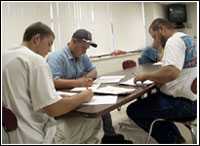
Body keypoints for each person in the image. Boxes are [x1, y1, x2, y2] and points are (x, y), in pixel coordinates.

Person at [2, 22, 101, 144]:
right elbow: (54, 109)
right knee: (94, 121)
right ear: (36, 39)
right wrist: (83, 97)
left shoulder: (6, 56)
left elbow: (26, 95)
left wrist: (59, 97)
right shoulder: (35, 60)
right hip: (36, 136)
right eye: (49, 44)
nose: (49, 50)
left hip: (10, 135)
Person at [47, 29, 132, 144]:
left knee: (103, 104)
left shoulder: (82, 55)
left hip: (80, 92)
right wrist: (79, 82)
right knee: (96, 109)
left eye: (86, 49)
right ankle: (103, 136)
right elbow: (53, 82)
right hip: (64, 98)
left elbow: (94, 71)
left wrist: (85, 78)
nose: (85, 52)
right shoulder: (56, 57)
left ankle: (109, 136)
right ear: (73, 41)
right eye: (83, 48)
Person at [126, 18, 197, 144]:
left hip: (181, 103)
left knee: (133, 110)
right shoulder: (188, 39)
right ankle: (176, 137)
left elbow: (171, 72)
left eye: (154, 37)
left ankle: (172, 141)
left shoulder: (173, 41)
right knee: (152, 99)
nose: (155, 41)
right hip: (192, 100)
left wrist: (145, 76)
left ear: (161, 29)